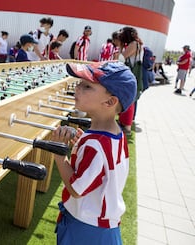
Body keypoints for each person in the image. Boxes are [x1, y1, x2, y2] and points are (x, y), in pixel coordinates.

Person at [52, 61, 137, 245]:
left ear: (110, 101)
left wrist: (60, 154)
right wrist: (83, 143)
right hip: (103, 228)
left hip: (86, 230)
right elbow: (103, 168)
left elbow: (76, 189)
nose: (78, 87)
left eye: (87, 86)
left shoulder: (95, 145)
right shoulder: (117, 134)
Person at [117, 26, 143, 135]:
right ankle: (124, 123)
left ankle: (126, 127)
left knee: (129, 99)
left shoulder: (133, 44)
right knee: (128, 98)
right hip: (133, 74)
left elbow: (121, 58)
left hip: (132, 74)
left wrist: (120, 47)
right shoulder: (137, 44)